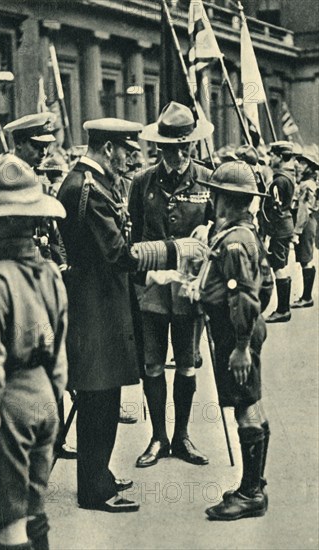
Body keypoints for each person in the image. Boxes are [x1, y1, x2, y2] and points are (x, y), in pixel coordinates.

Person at [57, 117, 205, 512]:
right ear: (108, 149)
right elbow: (118, 253)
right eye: (126, 150)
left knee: (104, 397)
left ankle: (99, 474)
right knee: (97, 398)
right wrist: (176, 250)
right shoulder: (88, 187)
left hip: (104, 303)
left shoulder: (93, 183)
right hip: (95, 308)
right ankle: (94, 490)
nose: (131, 159)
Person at [0, 154, 68, 550]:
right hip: (44, 402)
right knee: (34, 509)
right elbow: (59, 354)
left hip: (8, 408)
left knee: (9, 524)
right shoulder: (51, 273)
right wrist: (53, 401)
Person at [128, 101, 214, 468]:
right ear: (159, 147)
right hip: (151, 289)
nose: (178, 155)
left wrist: (208, 234)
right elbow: (129, 236)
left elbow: (218, 235)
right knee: (151, 365)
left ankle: (181, 436)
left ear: (193, 145)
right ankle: (158, 438)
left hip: (189, 290)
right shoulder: (141, 182)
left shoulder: (208, 180)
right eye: (170, 148)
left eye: (185, 147)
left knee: (187, 365)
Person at [197, 160, 273, 520]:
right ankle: (254, 480)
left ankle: (250, 493)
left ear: (222, 198)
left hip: (234, 333)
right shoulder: (245, 232)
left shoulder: (234, 243)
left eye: (214, 194)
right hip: (242, 328)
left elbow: (243, 295)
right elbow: (266, 285)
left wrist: (242, 345)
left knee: (245, 404)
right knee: (251, 398)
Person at [263, 141, 296, 323]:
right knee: (280, 265)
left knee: (278, 267)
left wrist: (268, 232)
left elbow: (274, 208)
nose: (270, 158)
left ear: (280, 157)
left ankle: (283, 310)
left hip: (279, 227)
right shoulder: (289, 176)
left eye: (273, 155)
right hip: (286, 224)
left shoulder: (279, 181)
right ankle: (284, 308)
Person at [291, 149, 319, 307]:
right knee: (304, 260)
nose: (298, 165)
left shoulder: (307, 185)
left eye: (303, 163)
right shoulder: (305, 182)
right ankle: (305, 296)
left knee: (306, 259)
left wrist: (297, 231)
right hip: (307, 222)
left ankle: (307, 297)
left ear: (309, 167)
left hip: (305, 223)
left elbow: (303, 209)